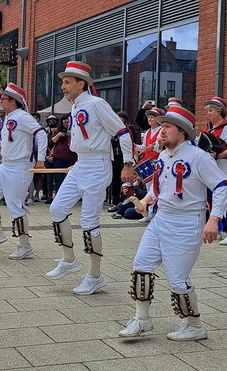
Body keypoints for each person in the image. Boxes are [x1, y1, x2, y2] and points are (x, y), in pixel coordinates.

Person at [118, 105, 227, 341]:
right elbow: (161, 187)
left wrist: (214, 219)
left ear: (181, 131)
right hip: (161, 219)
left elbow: (222, 187)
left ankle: (195, 325)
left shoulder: (198, 157)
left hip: (187, 222)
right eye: (161, 126)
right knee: (141, 265)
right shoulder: (163, 155)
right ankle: (142, 319)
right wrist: (145, 201)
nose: (161, 131)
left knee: (178, 280)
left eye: (166, 127)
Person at [46, 61, 134, 295]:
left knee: (89, 221)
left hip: (97, 165)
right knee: (57, 208)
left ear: (80, 83)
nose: (63, 87)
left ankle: (95, 275)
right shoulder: (75, 107)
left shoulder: (97, 104)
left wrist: (127, 163)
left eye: (67, 82)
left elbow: (122, 132)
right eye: (63, 82)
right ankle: (69, 259)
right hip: (80, 164)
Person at [0, 83, 47, 260]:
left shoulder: (24, 117)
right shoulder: (8, 117)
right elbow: (8, 138)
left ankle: (25, 245)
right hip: (6, 165)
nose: (1, 101)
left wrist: (40, 159)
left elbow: (41, 134)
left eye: (4, 98)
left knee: (15, 206)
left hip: (20, 167)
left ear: (13, 101)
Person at [201, 97, 227, 246]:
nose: (208, 113)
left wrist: (218, 156)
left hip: (225, 163)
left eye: (210, 110)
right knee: (213, 196)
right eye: (207, 110)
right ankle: (220, 230)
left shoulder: (226, 127)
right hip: (214, 164)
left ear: (219, 111)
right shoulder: (209, 127)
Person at [133, 106, 164, 222]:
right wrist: (134, 146)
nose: (150, 119)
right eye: (149, 117)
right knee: (148, 188)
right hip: (147, 162)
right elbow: (144, 147)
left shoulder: (162, 130)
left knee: (155, 188)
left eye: (153, 117)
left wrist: (154, 147)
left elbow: (161, 148)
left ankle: (156, 213)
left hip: (156, 162)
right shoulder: (147, 132)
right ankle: (149, 213)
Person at [48, 114, 77, 194]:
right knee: (59, 178)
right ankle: (58, 194)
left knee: (70, 178)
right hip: (59, 158)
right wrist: (59, 135)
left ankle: (69, 195)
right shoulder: (58, 130)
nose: (66, 124)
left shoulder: (75, 129)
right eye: (64, 123)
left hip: (71, 157)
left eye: (68, 123)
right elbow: (51, 142)